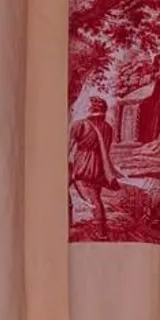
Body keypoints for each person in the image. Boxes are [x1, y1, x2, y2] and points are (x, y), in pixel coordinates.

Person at [68, 96, 120, 230]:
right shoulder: (108, 127)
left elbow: (68, 147)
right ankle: (101, 229)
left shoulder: (80, 124)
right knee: (95, 196)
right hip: (99, 167)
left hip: (83, 165)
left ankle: (96, 229)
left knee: (90, 199)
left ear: (90, 109)